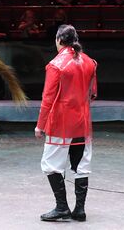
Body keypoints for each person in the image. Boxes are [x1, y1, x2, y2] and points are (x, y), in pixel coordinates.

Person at [35, 24, 97, 222]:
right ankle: (79, 210)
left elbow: (48, 98)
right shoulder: (90, 62)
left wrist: (40, 125)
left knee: (51, 164)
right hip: (83, 123)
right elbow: (92, 94)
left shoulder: (56, 65)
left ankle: (62, 207)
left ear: (58, 40)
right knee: (81, 166)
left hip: (61, 123)